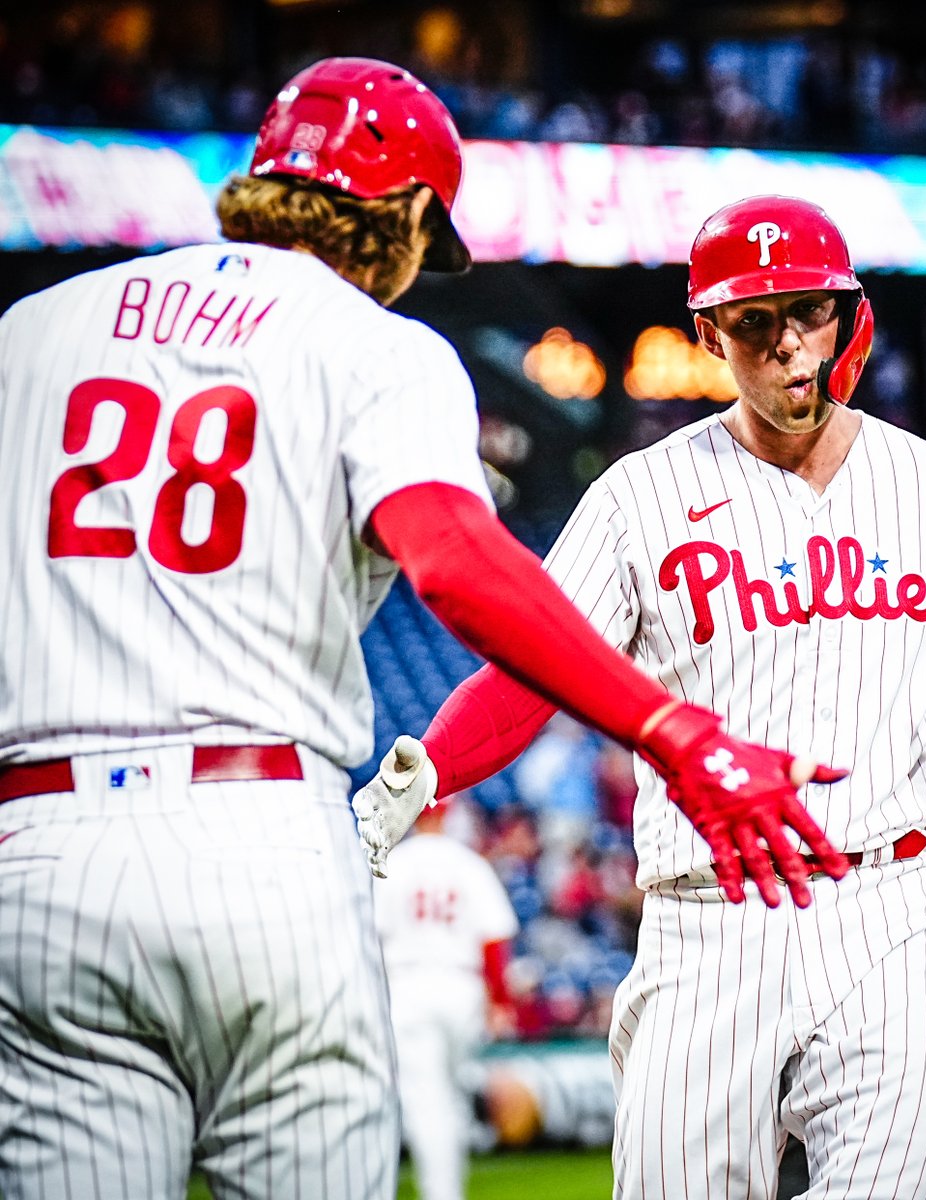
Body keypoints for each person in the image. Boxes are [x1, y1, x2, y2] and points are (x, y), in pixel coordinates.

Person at [0, 62, 847, 1200]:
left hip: (35, 854)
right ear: (398, 213)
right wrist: (672, 728)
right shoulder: (373, 344)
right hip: (256, 835)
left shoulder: (32, 331)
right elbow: (451, 560)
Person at [353, 194, 926, 1199]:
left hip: (891, 903)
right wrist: (434, 767)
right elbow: (529, 671)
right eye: (752, 320)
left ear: (848, 312)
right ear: (709, 333)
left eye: (806, 311)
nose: (784, 343)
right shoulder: (638, 496)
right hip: (709, 914)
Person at [369, 800, 517, 1200]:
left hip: (409, 988)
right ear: (450, 815)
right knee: (448, 1095)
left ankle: (442, 1193)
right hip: (461, 988)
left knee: (425, 1101)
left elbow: (373, 940)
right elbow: (493, 941)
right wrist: (499, 1001)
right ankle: (449, 1187)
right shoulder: (469, 863)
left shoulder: (393, 863)